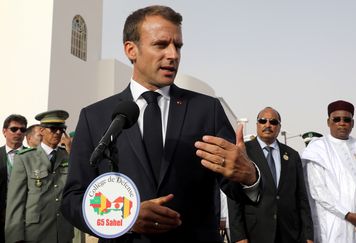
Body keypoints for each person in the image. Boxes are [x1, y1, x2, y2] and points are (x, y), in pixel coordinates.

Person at [61, 5, 260, 243]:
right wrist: (127, 218)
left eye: (178, 46)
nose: (173, 55)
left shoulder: (207, 110)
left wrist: (250, 176)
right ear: (131, 50)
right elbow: (73, 199)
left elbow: (235, 186)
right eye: (161, 45)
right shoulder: (95, 117)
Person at [301, 100, 356, 243]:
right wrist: (349, 215)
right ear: (328, 122)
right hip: (338, 223)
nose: (342, 123)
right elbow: (318, 191)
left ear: (352, 123)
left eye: (347, 119)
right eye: (336, 119)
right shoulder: (318, 149)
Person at [228, 107, 314, 243]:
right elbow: (234, 197)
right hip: (255, 232)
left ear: (279, 127)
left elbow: (301, 197)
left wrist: (308, 235)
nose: (268, 125)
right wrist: (239, 236)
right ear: (257, 125)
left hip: (289, 233)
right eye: (263, 121)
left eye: (273, 122)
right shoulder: (244, 151)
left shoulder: (292, 155)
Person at [5, 110, 74, 243]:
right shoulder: (25, 159)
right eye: (53, 129)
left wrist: (73, 154)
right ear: (42, 130)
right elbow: (16, 203)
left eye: (61, 129)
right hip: (35, 234)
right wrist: (15, 238)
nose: (58, 133)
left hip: (63, 233)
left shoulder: (68, 156)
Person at [0, 114, 27, 243]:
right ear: (4, 131)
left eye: (22, 130)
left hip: (25, 217)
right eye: (14, 129)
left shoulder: (33, 155)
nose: (18, 132)